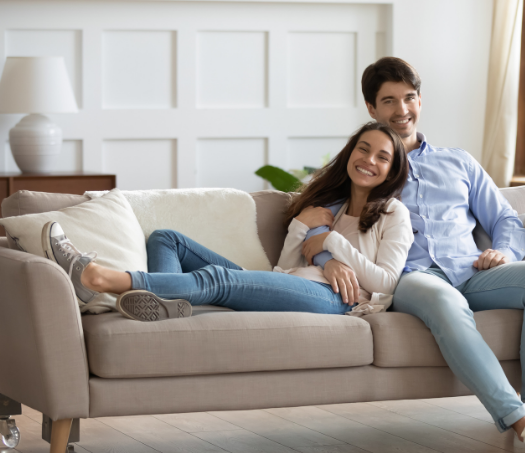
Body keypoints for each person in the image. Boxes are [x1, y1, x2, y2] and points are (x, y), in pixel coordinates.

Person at [306, 58, 525, 453]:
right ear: (372, 109)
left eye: (409, 97)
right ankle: (522, 427)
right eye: (388, 101)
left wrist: (504, 252)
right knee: (445, 302)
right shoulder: (369, 163)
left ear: (420, 100)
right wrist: (327, 259)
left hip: (474, 271)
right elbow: (314, 222)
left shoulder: (458, 162)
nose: (401, 109)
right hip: (412, 278)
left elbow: (505, 220)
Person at [42, 121, 413, 321]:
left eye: (382, 157)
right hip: (294, 283)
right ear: (351, 153)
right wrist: (302, 226)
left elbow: (386, 282)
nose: (369, 159)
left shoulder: (393, 214)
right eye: (363, 148)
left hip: (336, 301)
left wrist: (331, 245)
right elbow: (284, 268)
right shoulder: (327, 208)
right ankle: (164, 302)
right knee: (166, 238)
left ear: (392, 170)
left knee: (220, 280)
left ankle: (99, 278)